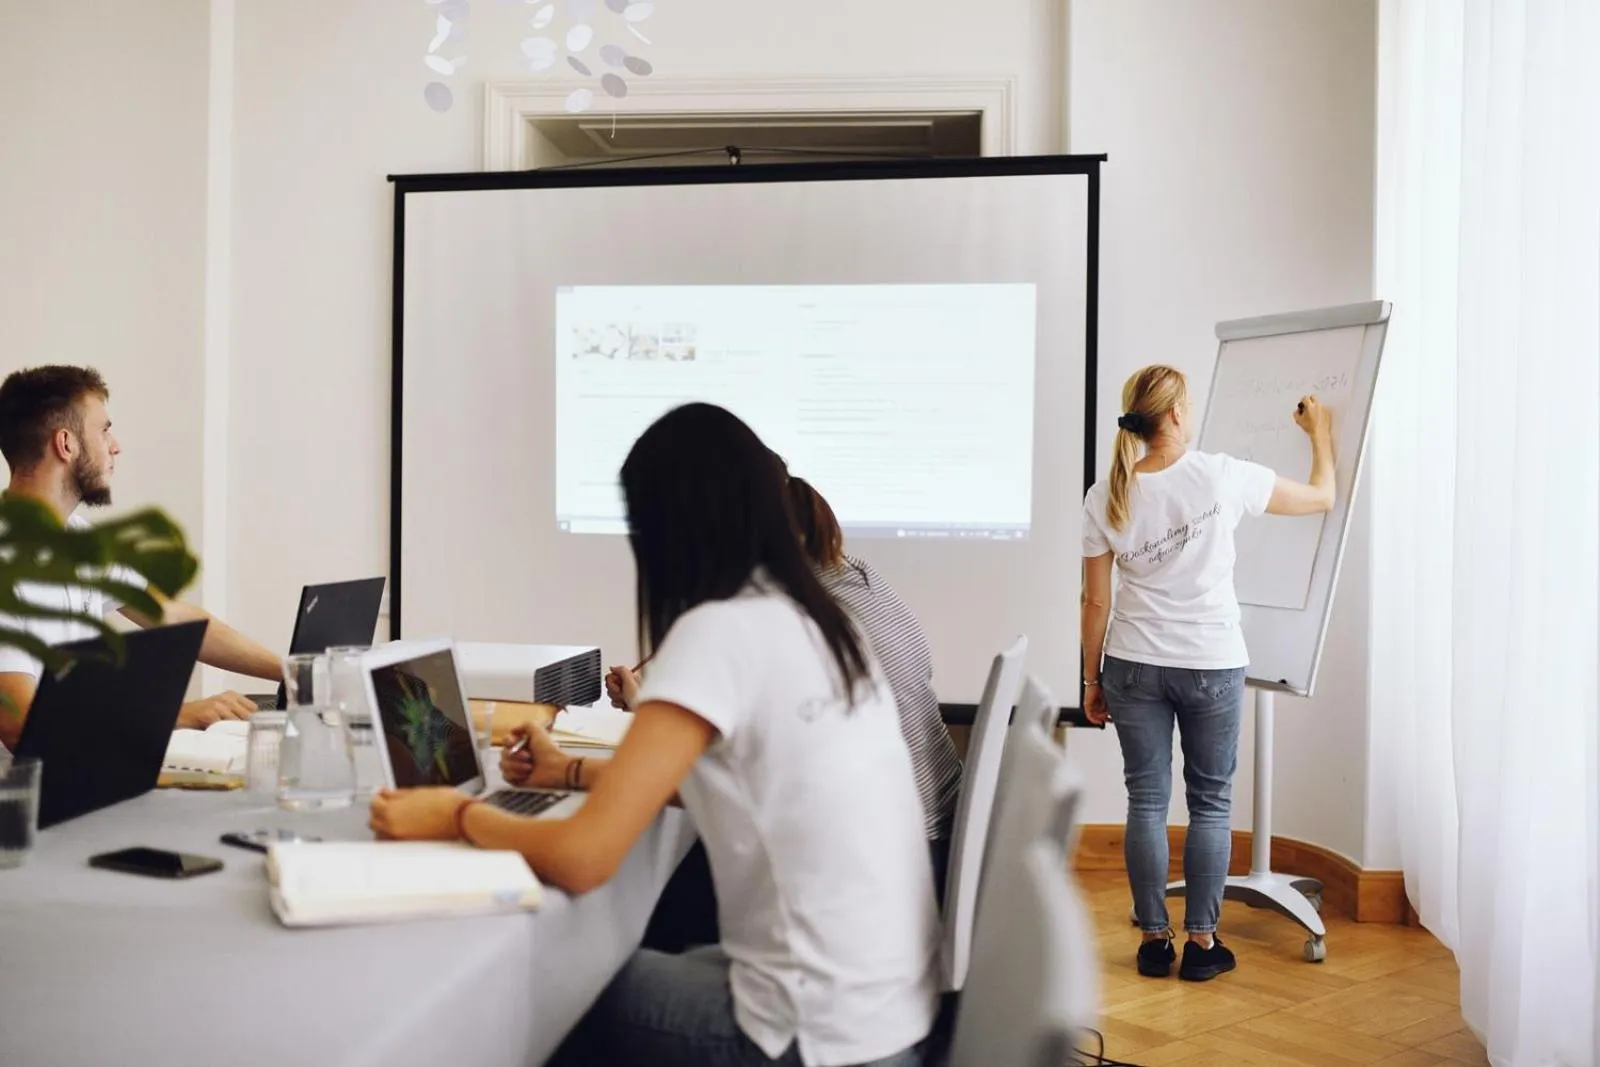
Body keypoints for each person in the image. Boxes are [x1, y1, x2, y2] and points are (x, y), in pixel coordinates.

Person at [371, 402, 938, 1067]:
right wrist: (569, 772)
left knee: (535, 990)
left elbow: (584, 855)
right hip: (887, 1015)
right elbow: (726, 782)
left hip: (809, 1036)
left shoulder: (720, 630)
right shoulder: (820, 621)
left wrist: (458, 814)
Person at [540, 468, 964, 954]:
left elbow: (710, 787)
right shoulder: (854, 581)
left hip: (861, 891)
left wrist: (566, 770)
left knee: (623, 939)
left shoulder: (802, 631)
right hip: (909, 854)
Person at [1079, 364, 1335, 983]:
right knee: (1211, 803)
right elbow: (1321, 496)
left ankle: (1154, 943)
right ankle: (1201, 944)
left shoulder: (1105, 493)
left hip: (1132, 665)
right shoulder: (1221, 475)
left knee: (1146, 799)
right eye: (1186, 406)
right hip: (1210, 663)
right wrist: (1320, 433)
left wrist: (1092, 679)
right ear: (1172, 416)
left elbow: (1095, 603)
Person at [0, 365, 283, 750]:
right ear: (65, 444)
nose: (115, 445)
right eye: (103, 429)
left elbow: (169, 614)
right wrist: (175, 715)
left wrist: (293, 673)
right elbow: (20, 725)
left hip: (81, 769)